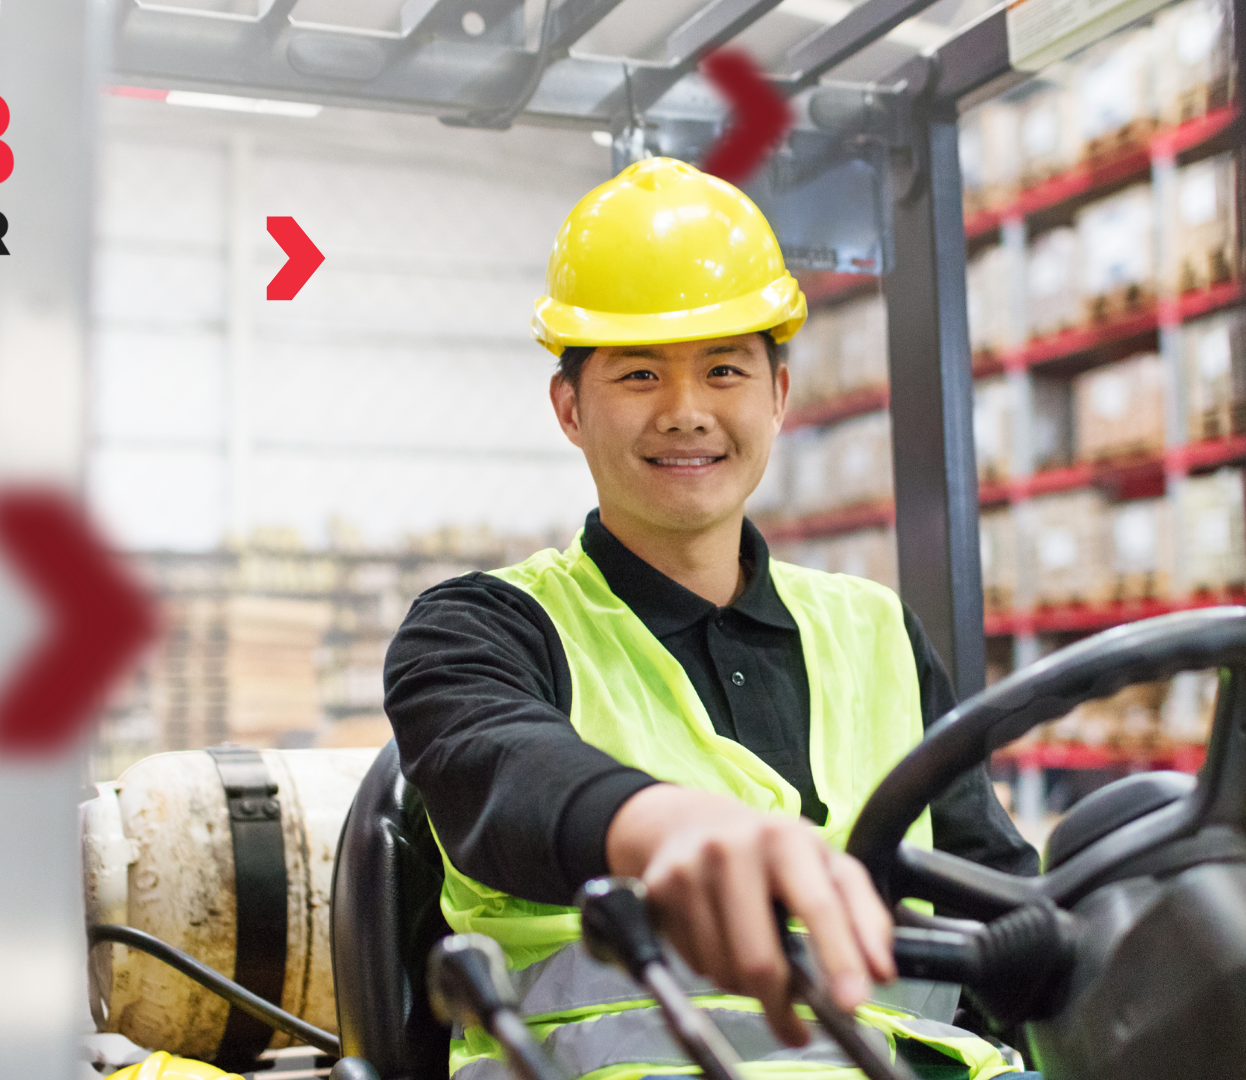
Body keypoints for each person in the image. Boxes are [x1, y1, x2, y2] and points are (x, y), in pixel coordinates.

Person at [385, 157, 1038, 1080]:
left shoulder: (877, 630)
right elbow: (499, 768)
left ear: (777, 395)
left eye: (724, 369)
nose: (687, 413)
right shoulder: (481, 630)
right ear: (570, 408)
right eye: (640, 375)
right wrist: (664, 828)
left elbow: (1000, 896)